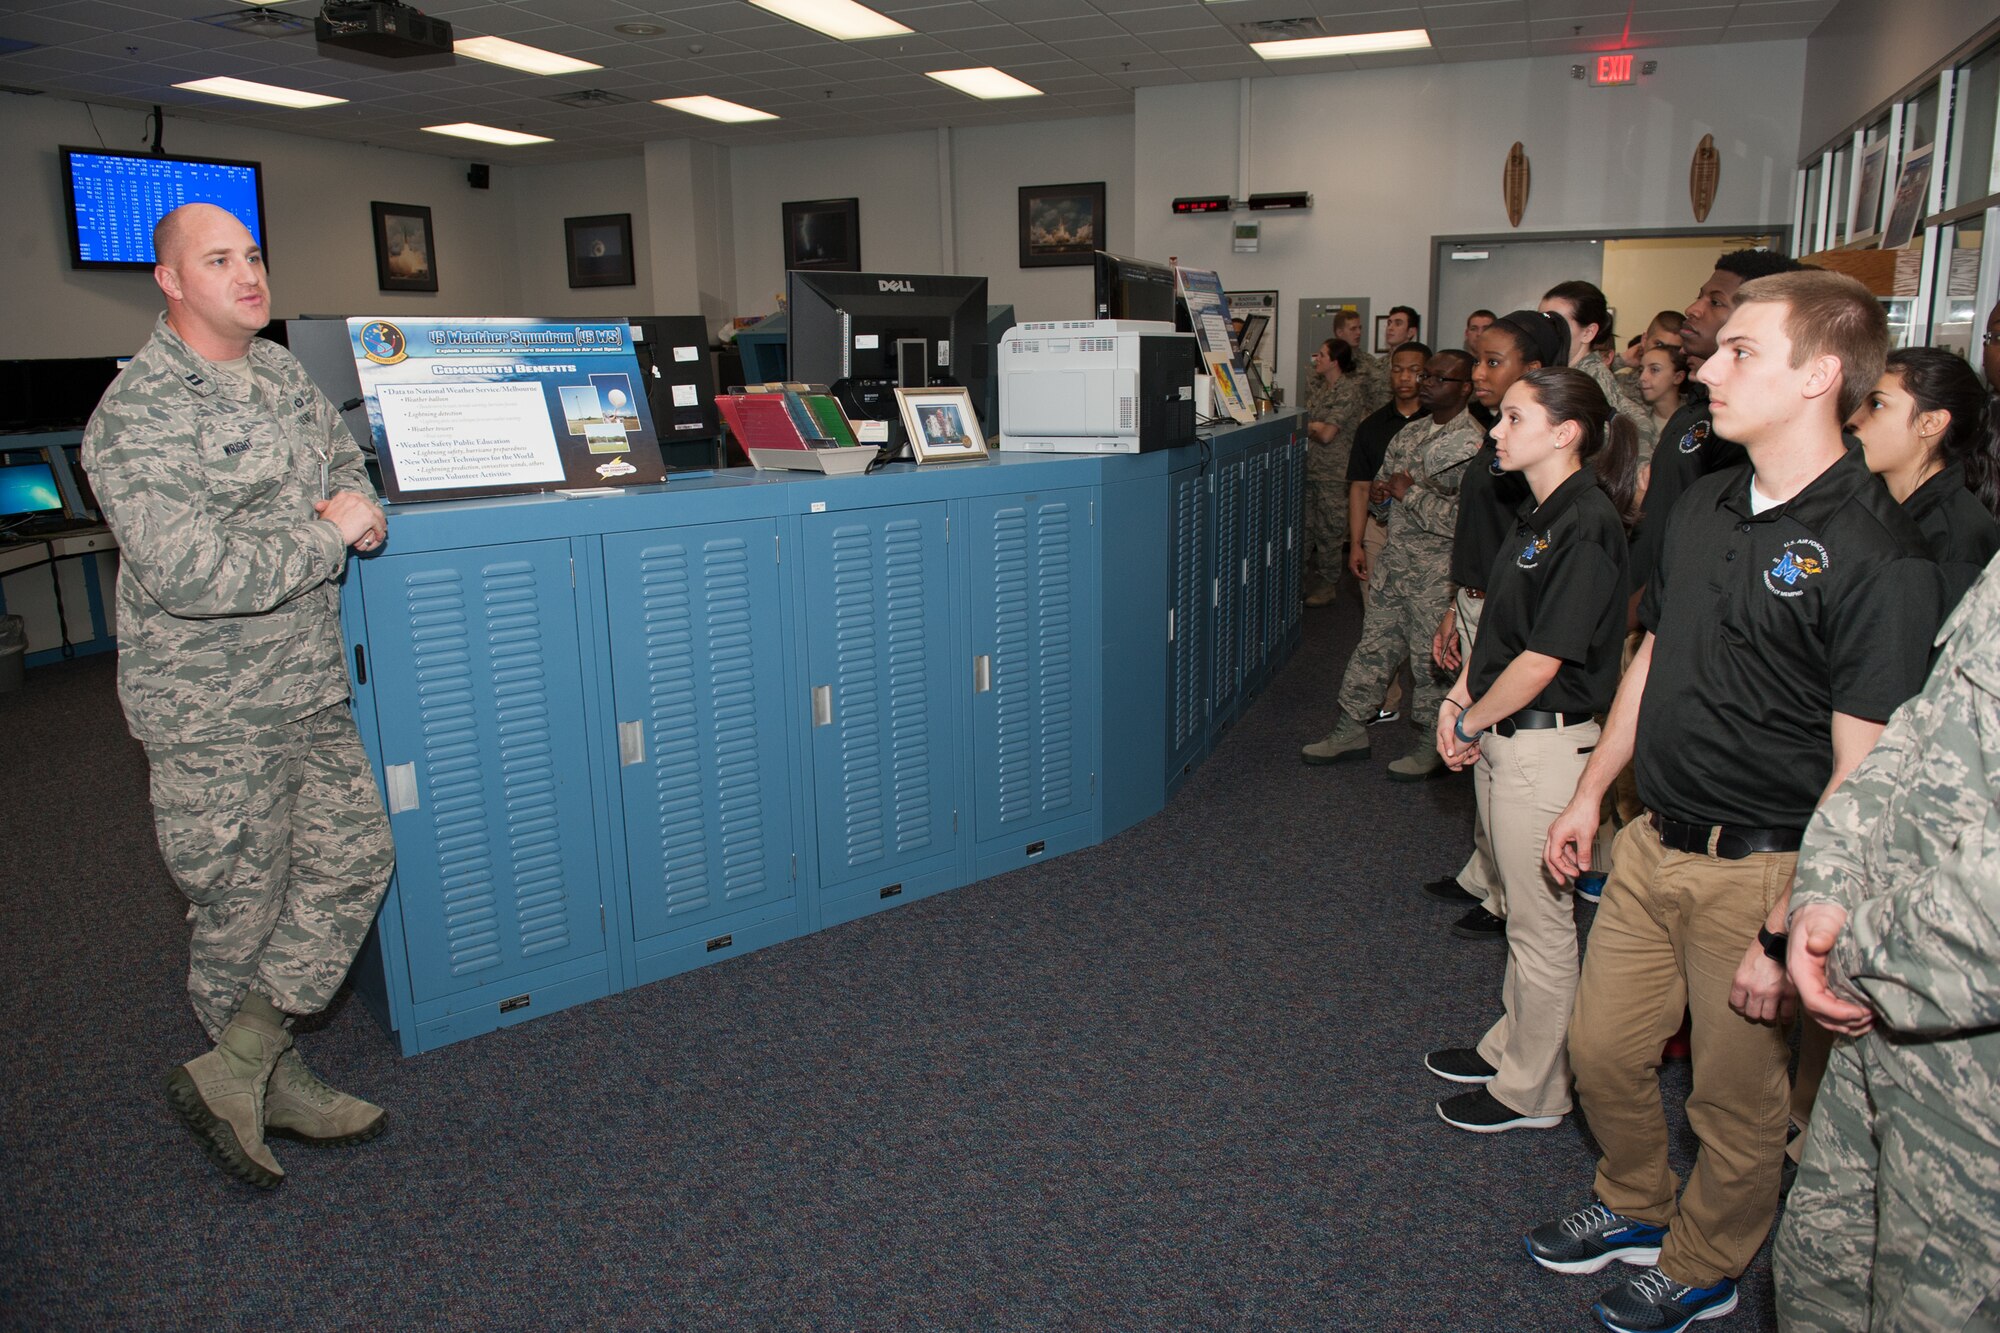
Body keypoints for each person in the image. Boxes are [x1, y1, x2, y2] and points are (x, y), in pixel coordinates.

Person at [1529, 271, 1942, 1333]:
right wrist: (1588, 795)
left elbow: (1865, 772)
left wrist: (1784, 927)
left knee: (1732, 1102)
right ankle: (1630, 1201)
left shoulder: (1876, 554)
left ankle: (1705, 1257)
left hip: (1764, 866)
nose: (1707, 366)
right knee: (1601, 1052)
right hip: (1651, 838)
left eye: (1738, 352)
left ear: (1818, 376)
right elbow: (1651, 654)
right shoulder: (1707, 499)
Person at [82, 203, 397, 1190]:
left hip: (302, 678)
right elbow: (194, 574)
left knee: (355, 857)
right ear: (170, 281)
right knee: (238, 910)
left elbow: (342, 471)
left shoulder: (276, 373)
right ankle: (270, 1081)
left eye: (252, 254)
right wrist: (325, 535)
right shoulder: (139, 414)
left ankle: (244, 1061)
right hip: (209, 709)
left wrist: (362, 511)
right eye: (217, 260)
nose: (247, 274)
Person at [1771, 557, 2000, 1331]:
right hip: (1879, 1024)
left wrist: (1848, 951)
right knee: (1815, 1278)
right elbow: (1912, 739)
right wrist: (1826, 890)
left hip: (1973, 1096)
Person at [1427, 367, 1637, 1133]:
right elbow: (1501, 639)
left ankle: (1535, 1091)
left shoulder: (1586, 522)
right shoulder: (1538, 512)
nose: (1494, 430)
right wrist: (1460, 705)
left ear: (1564, 431)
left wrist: (1471, 719)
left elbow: (1545, 660)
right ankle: (1512, 1045)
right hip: (1506, 735)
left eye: (1513, 417)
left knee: (1542, 929)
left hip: (1547, 747)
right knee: (1519, 910)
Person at [1424, 309, 1567, 938]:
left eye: (1493, 362)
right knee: (1485, 766)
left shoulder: (1527, 452)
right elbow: (1481, 537)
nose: (1479, 372)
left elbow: (1522, 553)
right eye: (1477, 360)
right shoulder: (1495, 436)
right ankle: (1485, 874)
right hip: (1476, 594)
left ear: (1533, 371)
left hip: (1504, 608)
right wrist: (1455, 603)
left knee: (1495, 756)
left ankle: (1505, 893)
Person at [1302, 349, 1484, 778]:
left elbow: (1471, 523)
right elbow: (1386, 497)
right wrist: (1384, 501)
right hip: (1395, 563)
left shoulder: (1475, 443)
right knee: (1374, 647)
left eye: (1440, 379)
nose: (1427, 384)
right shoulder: (1408, 434)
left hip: (1438, 576)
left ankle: (1431, 743)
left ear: (1465, 388)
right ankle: (1350, 729)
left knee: (1431, 662)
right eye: (1426, 376)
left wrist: (1409, 495)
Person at [1626, 250, 1804, 611]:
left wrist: (1639, 611)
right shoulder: (1699, 404)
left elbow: (1717, 542)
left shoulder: (1746, 422)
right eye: (1700, 295)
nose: (1693, 309)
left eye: (1716, 302)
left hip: (1669, 607)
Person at [1847, 347, 2000, 609]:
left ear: (1930, 424)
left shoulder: (1959, 541)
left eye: (1877, 404)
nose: (1853, 419)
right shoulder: (1867, 505)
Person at [1345, 340, 1434, 719]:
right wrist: (1356, 543)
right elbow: (1360, 487)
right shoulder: (1373, 426)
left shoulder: (1443, 424)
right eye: (1398, 369)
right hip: (1381, 530)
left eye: (1415, 370)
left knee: (1426, 623)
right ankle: (1389, 699)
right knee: (1379, 618)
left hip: (1429, 538)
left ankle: (1434, 709)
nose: (1405, 377)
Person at [1302, 337, 1372, 606]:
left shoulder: (1348, 391)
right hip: (1311, 469)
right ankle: (1299, 582)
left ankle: (1327, 583)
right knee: (1305, 529)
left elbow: (1328, 434)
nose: (1316, 359)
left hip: (1335, 472)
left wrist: (1311, 426)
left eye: (1320, 355)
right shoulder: (1319, 389)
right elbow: (1313, 425)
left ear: (1334, 361)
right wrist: (1314, 426)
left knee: (1329, 531)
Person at [1541, 281, 1650, 440]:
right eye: (1542, 322)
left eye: (1557, 324)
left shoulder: (1590, 383)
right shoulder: (1561, 372)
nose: (1546, 331)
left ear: (1588, 332)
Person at [1635, 343, 1691, 479]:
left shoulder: (1694, 420)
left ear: (1678, 377)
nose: (1643, 377)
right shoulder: (1636, 418)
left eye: (1654, 370)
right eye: (1641, 370)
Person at [1332, 308, 1387, 410]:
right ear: (1339, 332)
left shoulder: (1370, 363)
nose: (1358, 333)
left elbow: (1381, 400)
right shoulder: (1324, 363)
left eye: (1360, 328)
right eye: (1353, 329)